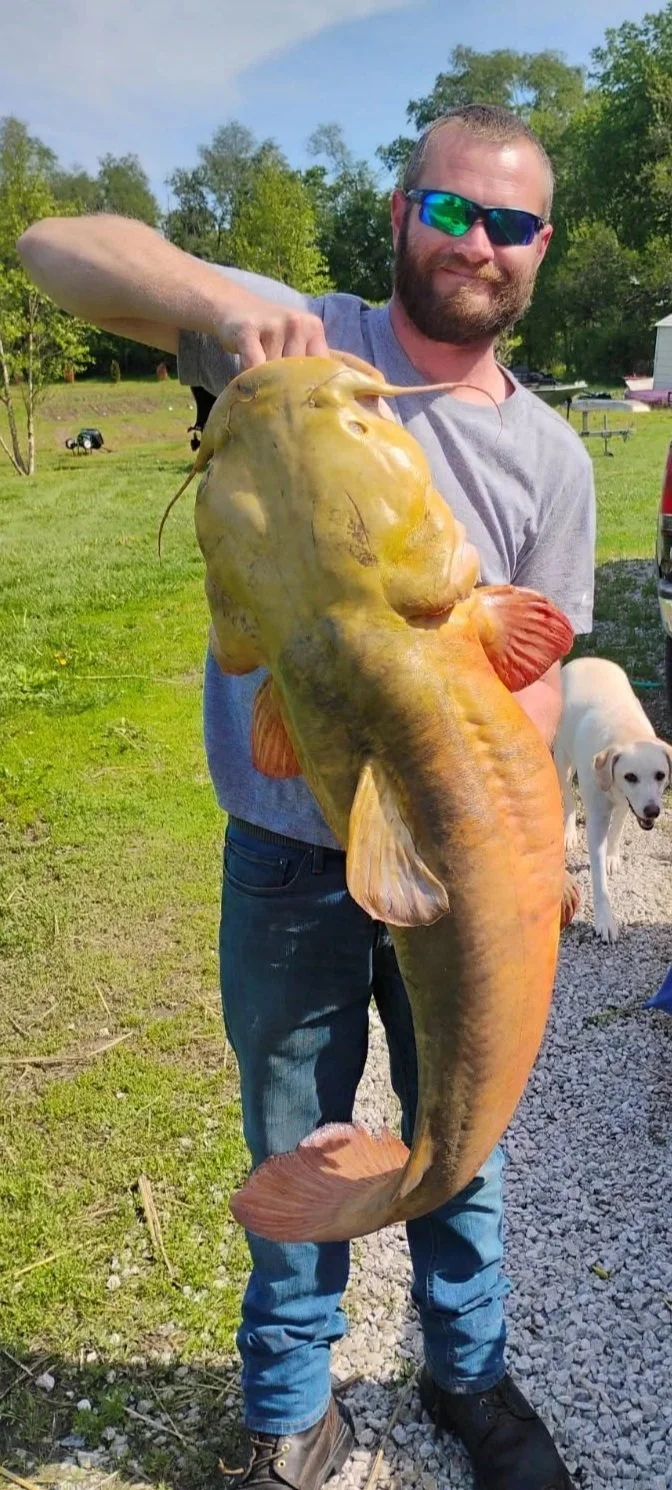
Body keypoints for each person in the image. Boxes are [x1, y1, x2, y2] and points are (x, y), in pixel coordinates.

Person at [19, 103, 595, 1490]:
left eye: (510, 223)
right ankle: (289, 1409)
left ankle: (471, 1374)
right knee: (293, 1134)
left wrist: (522, 866)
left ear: (540, 249)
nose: (479, 244)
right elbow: (54, 244)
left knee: (473, 1127)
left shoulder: (554, 462)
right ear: (401, 213)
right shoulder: (298, 332)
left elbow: (533, 681)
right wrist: (224, 307)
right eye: (451, 210)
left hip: (458, 866)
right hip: (288, 854)